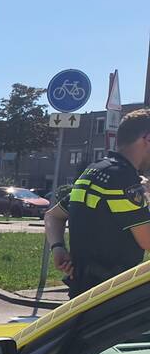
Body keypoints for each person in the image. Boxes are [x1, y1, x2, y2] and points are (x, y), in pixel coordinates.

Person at [45, 108, 150, 298]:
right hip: (111, 299)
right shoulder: (124, 181)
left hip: (82, 294)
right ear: (147, 138)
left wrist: (58, 247)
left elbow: (53, 215)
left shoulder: (94, 171)